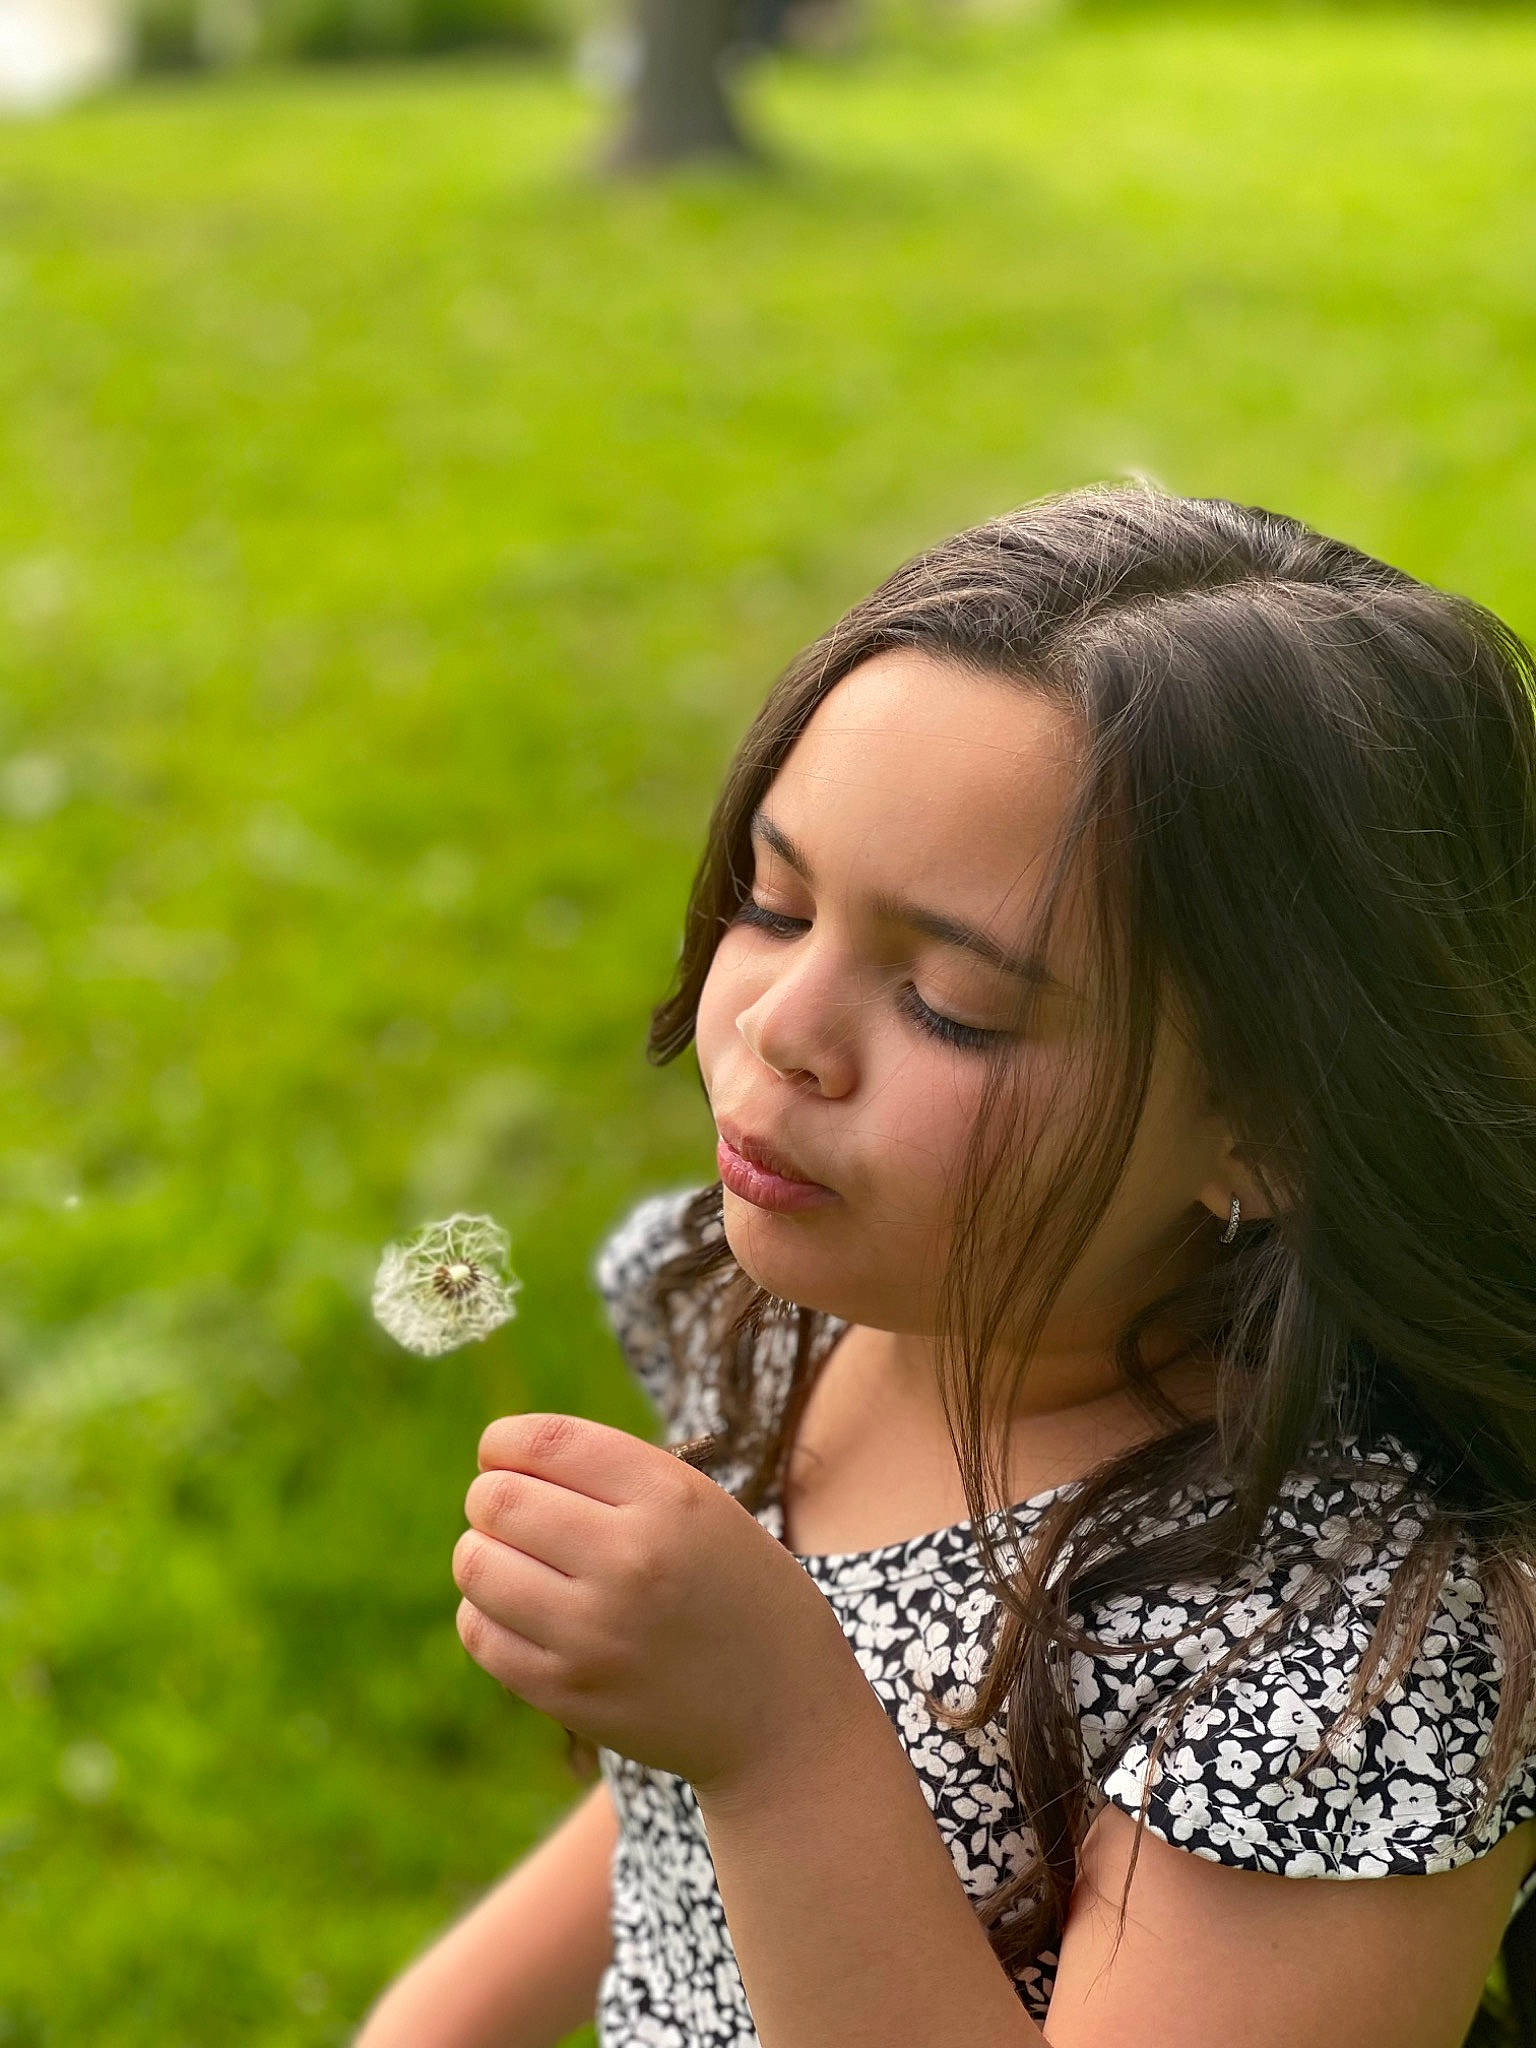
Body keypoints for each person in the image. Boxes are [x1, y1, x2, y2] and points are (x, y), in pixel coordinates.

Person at [355, 485, 1536, 2048]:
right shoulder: (781, 1315)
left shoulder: (1348, 1645)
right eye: (776, 904)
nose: (780, 1027)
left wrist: (780, 1735)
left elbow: (751, 1756)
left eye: (956, 1004)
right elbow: (667, 1835)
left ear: (1270, 1127)